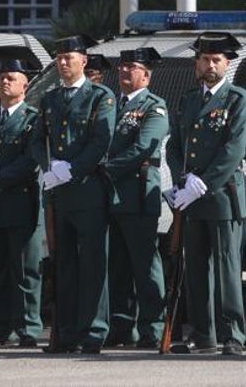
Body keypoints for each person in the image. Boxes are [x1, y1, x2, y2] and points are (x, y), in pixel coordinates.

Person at [164, 31, 246, 356]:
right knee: (196, 267)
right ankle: (203, 334)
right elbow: (175, 146)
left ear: (227, 64)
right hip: (191, 196)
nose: (210, 65)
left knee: (228, 268)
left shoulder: (237, 99)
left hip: (222, 195)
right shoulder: (189, 99)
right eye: (205, 59)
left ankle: (233, 335)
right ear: (196, 64)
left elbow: (233, 149)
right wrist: (181, 179)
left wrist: (204, 182)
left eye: (216, 60)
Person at [32, 35, 117, 354]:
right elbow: (38, 140)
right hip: (59, 192)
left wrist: (73, 169)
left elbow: (100, 142)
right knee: (64, 263)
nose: (63, 62)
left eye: (69, 57)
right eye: (59, 58)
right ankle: (65, 332)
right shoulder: (50, 99)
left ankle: (93, 332)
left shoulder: (100, 96)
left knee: (93, 263)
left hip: (88, 190)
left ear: (84, 61)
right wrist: (49, 165)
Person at [0, 58, 43, 348]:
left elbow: (31, 158)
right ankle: (1, 326)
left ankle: (28, 326)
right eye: (1, 77)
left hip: (21, 201)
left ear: (25, 86)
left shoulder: (33, 118)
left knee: (25, 268)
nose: (5, 82)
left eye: (11, 78)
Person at [104, 47, 169, 349]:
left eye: (131, 67)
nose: (124, 72)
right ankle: (121, 326)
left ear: (146, 75)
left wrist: (102, 167)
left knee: (145, 265)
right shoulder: (110, 104)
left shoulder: (154, 106)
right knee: (117, 266)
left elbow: (143, 147)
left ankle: (152, 327)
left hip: (139, 194)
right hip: (111, 196)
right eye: (122, 67)